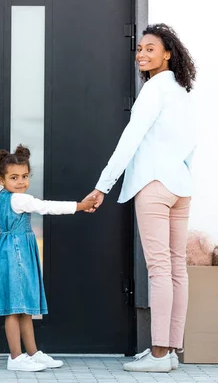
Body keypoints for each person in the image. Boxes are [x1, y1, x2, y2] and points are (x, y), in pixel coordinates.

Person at [85, 23, 197, 373]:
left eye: (150, 48)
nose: (142, 54)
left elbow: (130, 140)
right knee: (177, 268)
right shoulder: (182, 92)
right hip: (181, 186)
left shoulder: (153, 91)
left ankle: (160, 354)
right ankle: (172, 351)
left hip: (153, 184)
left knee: (162, 269)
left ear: (167, 54)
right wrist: (184, 176)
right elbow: (191, 145)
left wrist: (103, 185)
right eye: (139, 49)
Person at [0, 145, 97, 372]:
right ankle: (15, 357)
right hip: (17, 252)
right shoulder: (19, 200)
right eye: (14, 177)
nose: (21, 182)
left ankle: (32, 352)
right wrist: (80, 206)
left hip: (11, 250)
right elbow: (46, 207)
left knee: (24, 306)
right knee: (13, 307)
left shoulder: (0, 195)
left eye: (25, 176)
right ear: (1, 179)